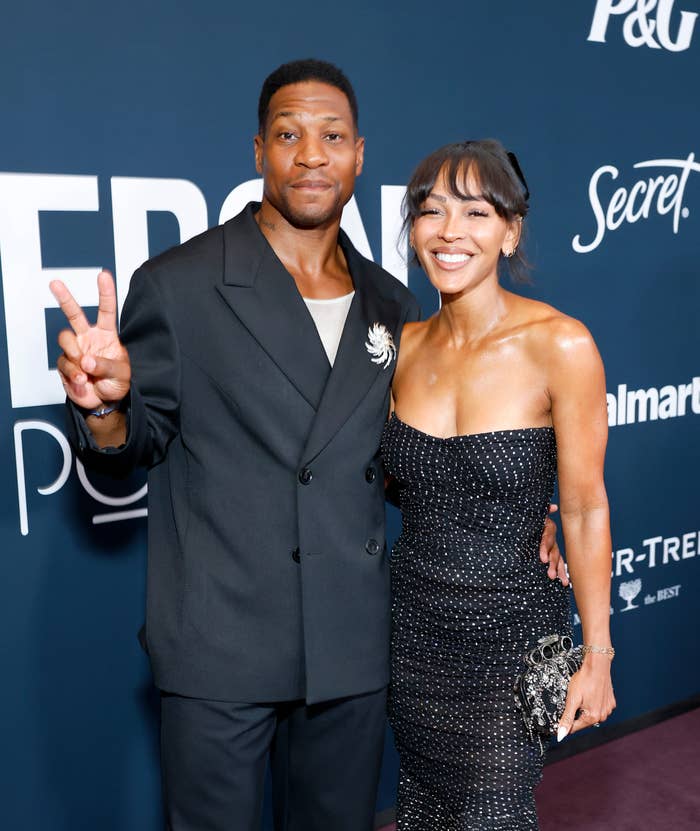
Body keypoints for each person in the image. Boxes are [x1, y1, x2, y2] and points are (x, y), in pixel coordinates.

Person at [49, 62, 563, 831]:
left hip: (350, 646)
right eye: (289, 135)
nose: (312, 155)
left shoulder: (393, 301)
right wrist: (104, 407)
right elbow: (132, 446)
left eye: (332, 136)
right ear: (259, 151)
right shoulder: (181, 283)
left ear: (360, 154)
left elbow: (405, 459)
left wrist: (516, 517)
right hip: (221, 644)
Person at [382, 139, 615, 830]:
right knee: (423, 808)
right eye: (432, 211)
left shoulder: (560, 344)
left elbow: (585, 506)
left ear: (510, 232)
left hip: (513, 638)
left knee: (492, 812)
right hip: (414, 630)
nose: (449, 231)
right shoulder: (400, 349)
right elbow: (402, 481)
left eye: (476, 213)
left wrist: (597, 653)